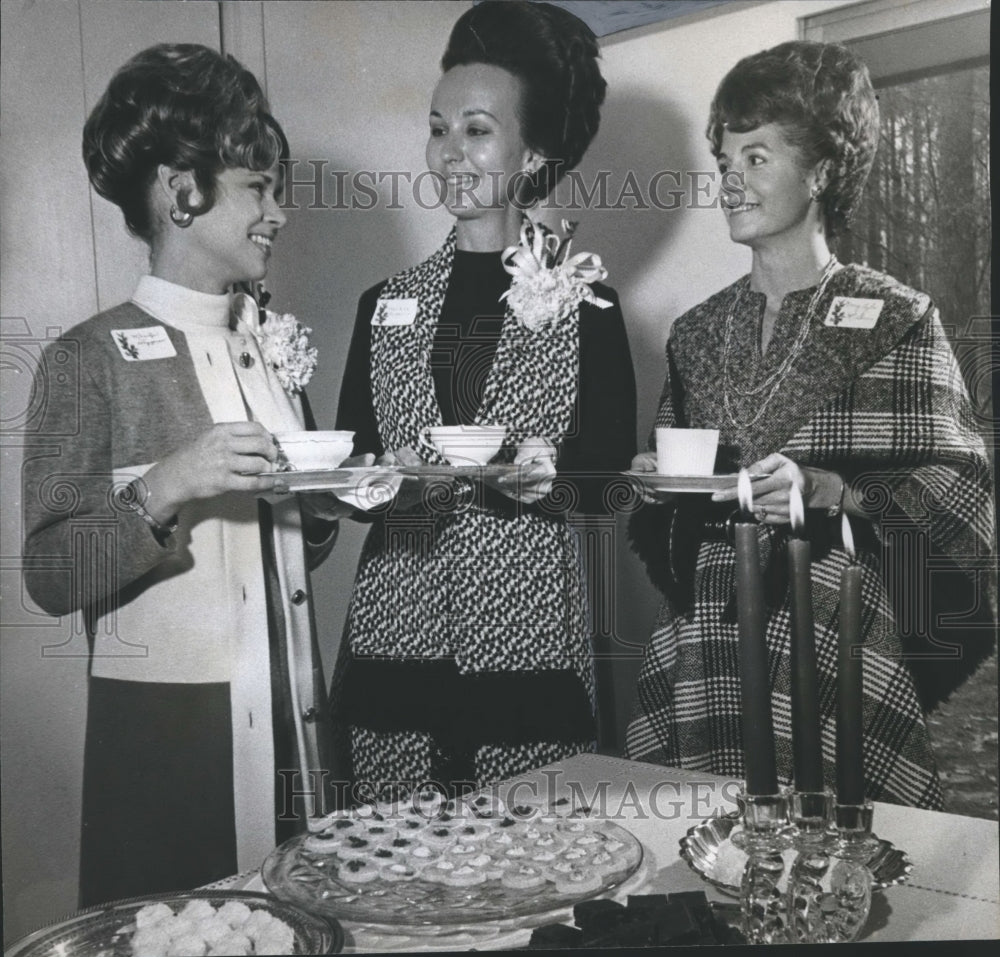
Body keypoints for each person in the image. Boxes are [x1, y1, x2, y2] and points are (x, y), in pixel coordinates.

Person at [625, 41, 994, 809]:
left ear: (822, 171)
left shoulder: (894, 317)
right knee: (707, 851)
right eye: (724, 159)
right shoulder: (695, 332)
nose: (731, 180)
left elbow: (961, 495)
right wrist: (659, 490)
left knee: (835, 868)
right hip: (711, 637)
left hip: (839, 630)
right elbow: (671, 514)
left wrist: (833, 488)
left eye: (757, 157)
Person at [22, 43, 343, 904]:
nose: (279, 211)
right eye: (258, 188)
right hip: (174, 746)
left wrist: (335, 498)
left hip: (296, 726)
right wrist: (167, 484)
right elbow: (50, 575)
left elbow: (296, 551)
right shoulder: (85, 359)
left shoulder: (275, 346)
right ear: (179, 191)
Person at [331, 0, 636, 801]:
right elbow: (351, 472)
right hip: (396, 624)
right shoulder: (384, 302)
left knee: (532, 875)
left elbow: (607, 480)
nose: (448, 153)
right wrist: (376, 478)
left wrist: (539, 469)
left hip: (527, 627)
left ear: (531, 153)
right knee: (392, 867)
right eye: (438, 128)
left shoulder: (585, 302)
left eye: (475, 129)